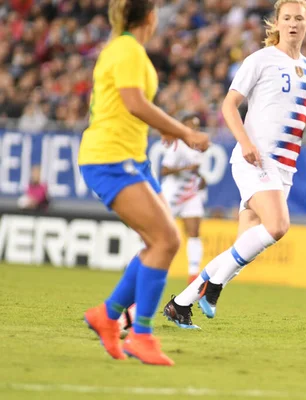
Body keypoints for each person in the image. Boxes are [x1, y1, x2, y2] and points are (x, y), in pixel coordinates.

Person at [162, 0, 306, 326]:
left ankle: (186, 302)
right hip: (256, 159)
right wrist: (245, 143)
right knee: (278, 226)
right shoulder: (260, 60)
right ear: (278, 22)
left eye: (299, 18)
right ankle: (211, 287)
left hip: (284, 168)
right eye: (287, 18)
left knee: (244, 246)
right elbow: (229, 106)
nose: (293, 23)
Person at [78, 0, 210, 366]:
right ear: (150, 17)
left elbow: (128, 107)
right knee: (166, 240)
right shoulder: (128, 50)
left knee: (160, 240)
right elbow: (134, 103)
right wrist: (182, 131)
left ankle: (108, 316)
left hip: (130, 159)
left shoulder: (123, 49)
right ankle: (141, 334)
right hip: (110, 159)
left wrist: (166, 129)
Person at [160, 114, 208, 285]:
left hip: (190, 194)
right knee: (160, 235)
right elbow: (164, 171)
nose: (194, 129)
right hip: (172, 196)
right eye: (190, 125)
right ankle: (143, 265)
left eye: (196, 126)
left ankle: (193, 276)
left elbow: (193, 170)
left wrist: (200, 178)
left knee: (194, 232)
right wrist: (187, 168)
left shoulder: (198, 146)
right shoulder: (177, 145)